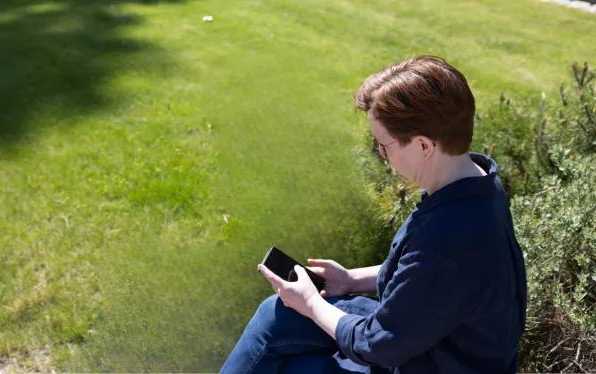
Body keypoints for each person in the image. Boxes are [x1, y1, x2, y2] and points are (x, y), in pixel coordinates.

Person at [220, 55, 527, 374]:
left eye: (383, 145)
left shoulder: (449, 237)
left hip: (426, 360)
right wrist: (352, 279)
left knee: (292, 363)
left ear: (423, 146)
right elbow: (427, 277)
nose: (381, 154)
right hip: (426, 337)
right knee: (277, 313)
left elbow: (378, 344)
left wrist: (311, 303)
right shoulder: (476, 182)